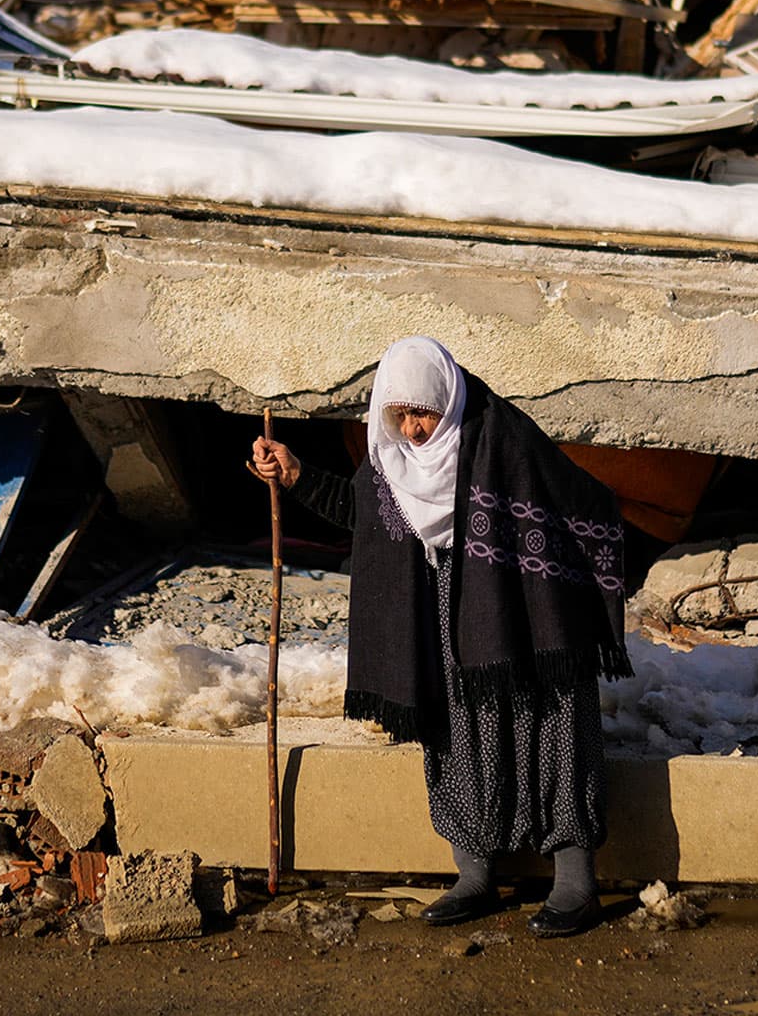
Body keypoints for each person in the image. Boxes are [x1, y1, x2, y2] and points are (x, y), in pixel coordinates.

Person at [248, 335, 633, 938]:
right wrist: (295, 474)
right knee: (453, 727)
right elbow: (364, 515)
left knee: (550, 720)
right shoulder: (392, 459)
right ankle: (476, 875)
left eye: (421, 412)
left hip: (522, 610)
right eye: (398, 416)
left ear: (445, 399)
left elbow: (572, 499)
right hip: (439, 613)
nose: (414, 429)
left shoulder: (499, 436)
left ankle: (576, 884)